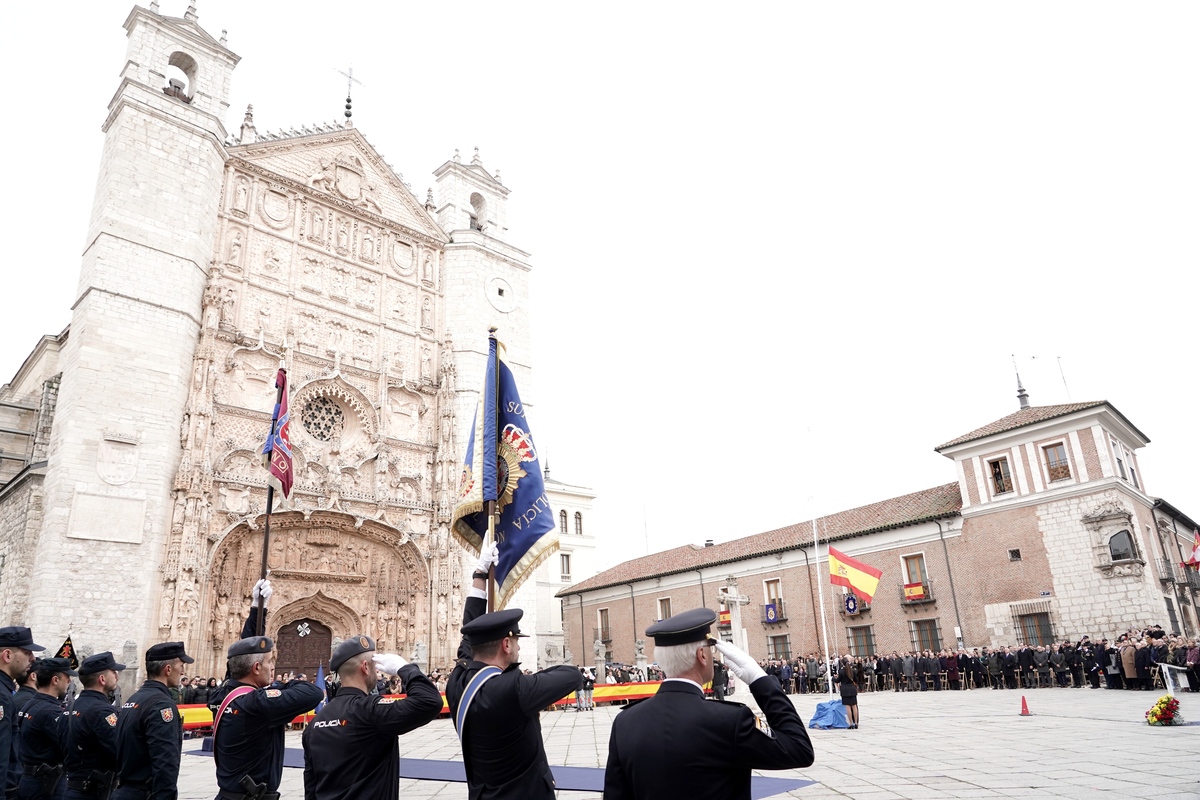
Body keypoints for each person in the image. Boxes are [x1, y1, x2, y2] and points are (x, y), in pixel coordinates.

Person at [603, 608, 813, 800]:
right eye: (711, 651)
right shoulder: (730, 720)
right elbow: (799, 749)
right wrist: (760, 679)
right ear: (702, 655)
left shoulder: (625, 722)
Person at [445, 543, 582, 799]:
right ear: (506, 645)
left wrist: (480, 574)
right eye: (517, 640)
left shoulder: (458, 682)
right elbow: (572, 675)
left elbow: (470, 632)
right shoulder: (513, 689)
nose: (519, 646)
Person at [208, 579, 324, 800]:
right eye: (271, 662)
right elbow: (314, 693)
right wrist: (281, 684)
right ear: (257, 667)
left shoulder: (225, 693)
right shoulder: (257, 703)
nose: (273, 667)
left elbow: (242, 656)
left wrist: (256, 608)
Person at [301, 635, 442, 800]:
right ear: (365, 667)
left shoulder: (314, 724)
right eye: (375, 666)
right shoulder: (369, 711)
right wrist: (405, 668)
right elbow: (429, 701)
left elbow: (311, 789)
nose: (378, 671)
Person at [113, 641, 193, 800]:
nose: (183, 671)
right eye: (181, 665)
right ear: (168, 669)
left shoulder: (136, 698)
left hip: (123, 788)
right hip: (143, 792)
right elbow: (165, 762)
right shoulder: (161, 704)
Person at [64, 653, 126, 800]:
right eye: (113, 672)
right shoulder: (103, 711)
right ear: (102, 679)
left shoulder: (70, 708)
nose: (117, 676)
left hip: (72, 788)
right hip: (92, 792)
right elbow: (119, 751)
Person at [16, 657, 76, 800]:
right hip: (45, 783)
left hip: (29, 777)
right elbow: (69, 745)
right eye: (67, 677)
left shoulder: (31, 703)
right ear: (55, 680)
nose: (69, 681)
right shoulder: (50, 711)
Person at [2, 627, 46, 800]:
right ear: (7, 655)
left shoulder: (6, 692)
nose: (33, 659)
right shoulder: (2, 697)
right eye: (27, 653)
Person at [836, 657, 860, 729]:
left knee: (848, 706)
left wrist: (832, 678)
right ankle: (856, 723)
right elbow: (856, 680)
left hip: (845, 690)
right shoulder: (853, 671)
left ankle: (851, 723)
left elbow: (838, 680)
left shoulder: (841, 672)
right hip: (852, 689)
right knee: (854, 706)